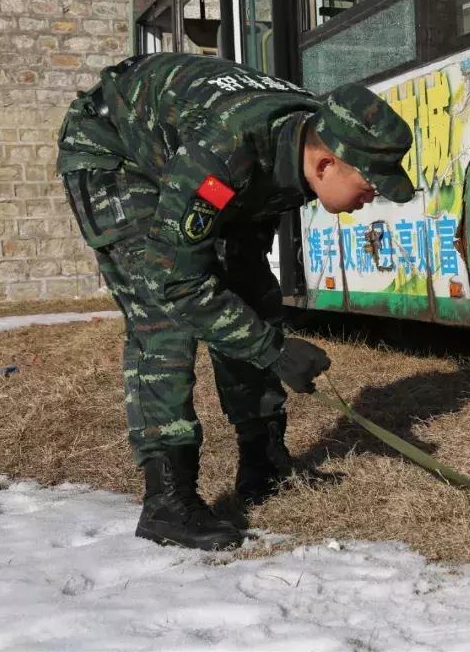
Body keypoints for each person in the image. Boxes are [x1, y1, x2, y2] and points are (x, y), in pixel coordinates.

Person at [55, 52, 414, 550]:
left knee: (252, 295)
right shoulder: (228, 148)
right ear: (326, 163)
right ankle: (168, 500)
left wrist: (263, 332)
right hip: (117, 155)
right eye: (370, 182)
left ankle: (263, 461)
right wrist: (274, 351)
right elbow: (176, 282)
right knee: (164, 320)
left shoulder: (302, 139)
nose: (372, 196)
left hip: (187, 153)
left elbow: (243, 272)